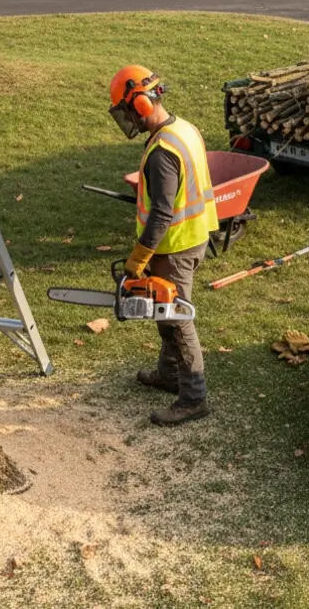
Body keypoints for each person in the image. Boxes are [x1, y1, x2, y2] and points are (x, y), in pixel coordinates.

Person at [108, 65, 219, 425]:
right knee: (164, 313)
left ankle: (193, 397)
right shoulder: (183, 128)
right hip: (194, 237)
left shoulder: (162, 152)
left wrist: (137, 260)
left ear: (140, 104)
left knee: (178, 319)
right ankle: (169, 374)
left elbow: (161, 214)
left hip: (175, 246)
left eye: (127, 111)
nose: (128, 119)